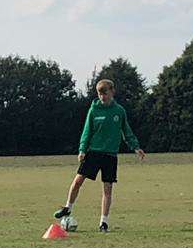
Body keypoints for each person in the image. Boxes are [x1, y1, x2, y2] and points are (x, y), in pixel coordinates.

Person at [54, 77, 145, 233]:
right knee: (78, 180)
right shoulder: (94, 110)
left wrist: (135, 146)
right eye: (100, 94)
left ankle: (103, 222)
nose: (102, 97)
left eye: (105, 93)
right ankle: (68, 207)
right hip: (93, 152)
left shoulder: (119, 111)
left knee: (107, 189)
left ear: (112, 92)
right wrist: (82, 150)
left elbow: (126, 131)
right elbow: (86, 132)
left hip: (110, 155)